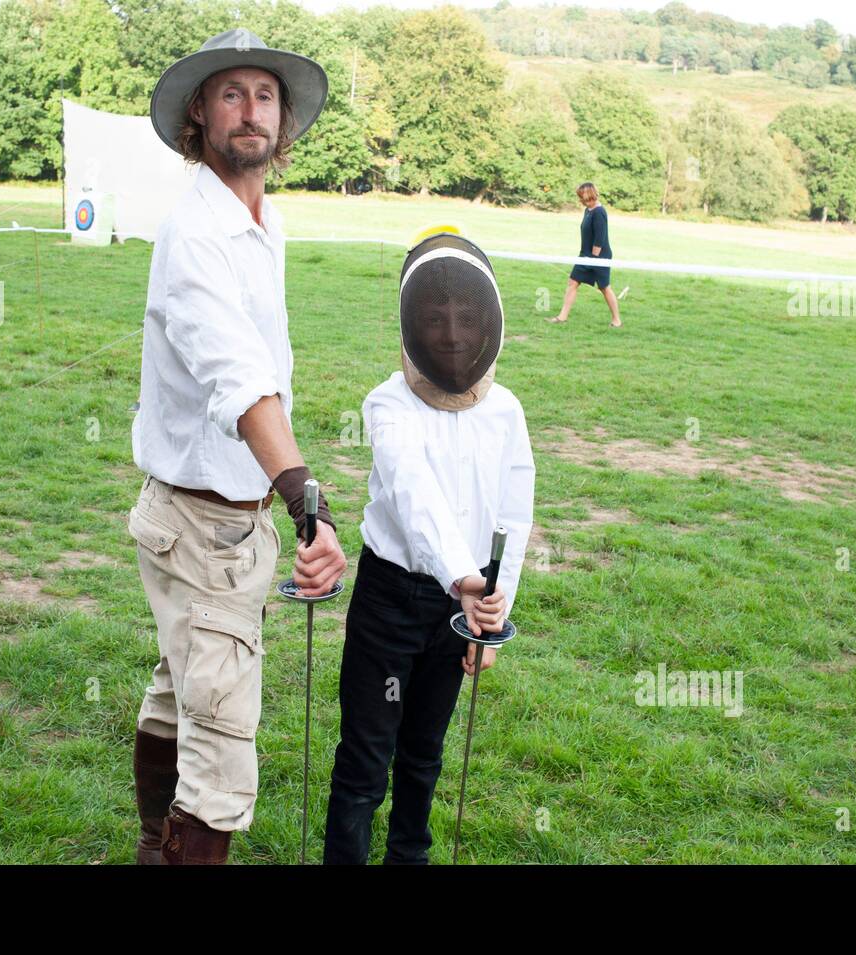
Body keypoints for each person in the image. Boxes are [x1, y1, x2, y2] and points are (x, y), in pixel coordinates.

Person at [130, 28, 346, 865]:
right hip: (202, 524)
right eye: (231, 94)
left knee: (179, 698)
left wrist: (282, 495)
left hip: (220, 517)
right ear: (200, 114)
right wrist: (307, 498)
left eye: (265, 95)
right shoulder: (197, 235)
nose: (250, 110)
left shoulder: (264, 220)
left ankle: (154, 845)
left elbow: (260, 368)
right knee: (221, 760)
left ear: (283, 120)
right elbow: (240, 380)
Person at [323, 227, 535, 865]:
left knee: (424, 758)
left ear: (488, 322)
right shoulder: (386, 405)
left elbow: (513, 516)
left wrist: (491, 611)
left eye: (465, 317)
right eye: (434, 317)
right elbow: (415, 499)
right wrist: (464, 582)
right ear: (411, 321)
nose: (449, 333)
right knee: (365, 760)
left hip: (460, 616)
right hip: (391, 602)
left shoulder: (507, 413)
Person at [550, 181, 621, 328]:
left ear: (588, 195)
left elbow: (599, 238)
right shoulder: (588, 211)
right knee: (572, 282)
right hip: (585, 255)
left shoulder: (599, 212)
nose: (580, 200)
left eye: (581, 196)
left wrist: (593, 260)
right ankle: (562, 317)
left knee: (604, 287)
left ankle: (616, 320)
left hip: (599, 257)